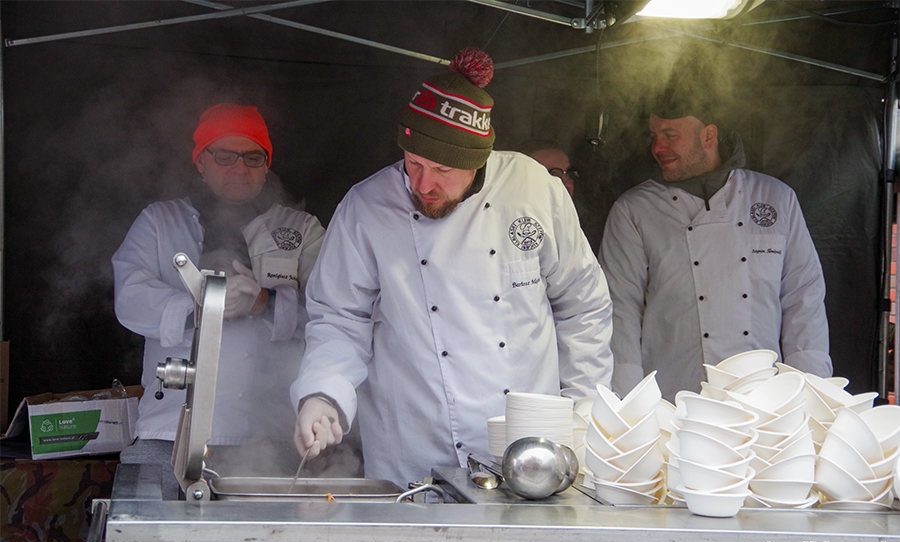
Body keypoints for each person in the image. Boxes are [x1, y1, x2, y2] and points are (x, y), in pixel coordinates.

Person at [290, 48, 614, 487]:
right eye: (414, 164)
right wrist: (323, 394)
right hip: (412, 453)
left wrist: (582, 412)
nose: (424, 184)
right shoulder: (365, 208)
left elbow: (583, 306)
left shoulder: (534, 189)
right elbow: (339, 318)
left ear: (479, 160)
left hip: (532, 452)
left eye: (442, 169)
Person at [112, 103, 343, 499]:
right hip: (168, 430)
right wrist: (199, 306)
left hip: (268, 435)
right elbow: (129, 299)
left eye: (253, 157)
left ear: (267, 164)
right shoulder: (159, 222)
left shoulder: (301, 229)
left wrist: (266, 304)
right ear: (200, 162)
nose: (240, 168)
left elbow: (334, 314)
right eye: (224, 156)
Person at [598, 89, 832, 402]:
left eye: (670, 135)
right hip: (674, 399)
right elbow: (620, 308)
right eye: (654, 135)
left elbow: (804, 297)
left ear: (708, 136)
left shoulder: (775, 198)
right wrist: (626, 403)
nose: (657, 147)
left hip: (762, 398)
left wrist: (811, 392)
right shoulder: (634, 209)